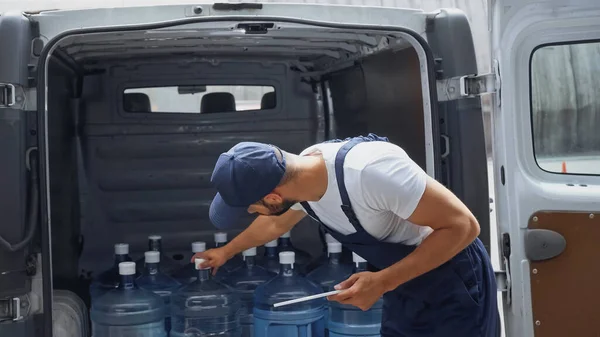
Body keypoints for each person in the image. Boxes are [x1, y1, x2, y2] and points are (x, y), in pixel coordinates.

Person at [195, 133, 500, 337]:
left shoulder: (369, 172)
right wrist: (227, 252)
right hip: (403, 281)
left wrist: (383, 281)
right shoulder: (299, 180)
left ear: (273, 197)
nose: (251, 213)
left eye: (250, 208)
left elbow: (463, 226)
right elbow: (276, 224)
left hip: (452, 277)